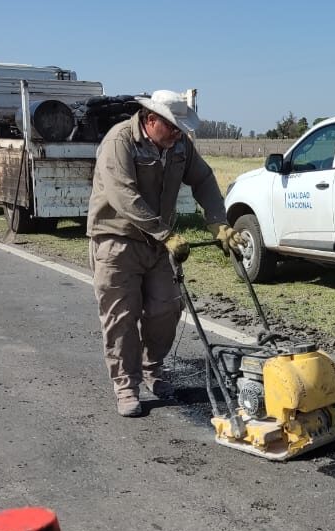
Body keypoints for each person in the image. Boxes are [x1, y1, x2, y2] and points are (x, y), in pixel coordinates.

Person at [87, 90, 244, 417]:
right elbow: (123, 196)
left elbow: (203, 178)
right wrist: (166, 234)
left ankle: (152, 370)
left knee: (166, 309)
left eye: (181, 129)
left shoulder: (179, 146)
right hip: (117, 241)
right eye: (173, 126)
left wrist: (218, 222)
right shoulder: (120, 141)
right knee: (122, 318)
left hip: (158, 245)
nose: (178, 133)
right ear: (150, 119)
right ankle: (126, 385)